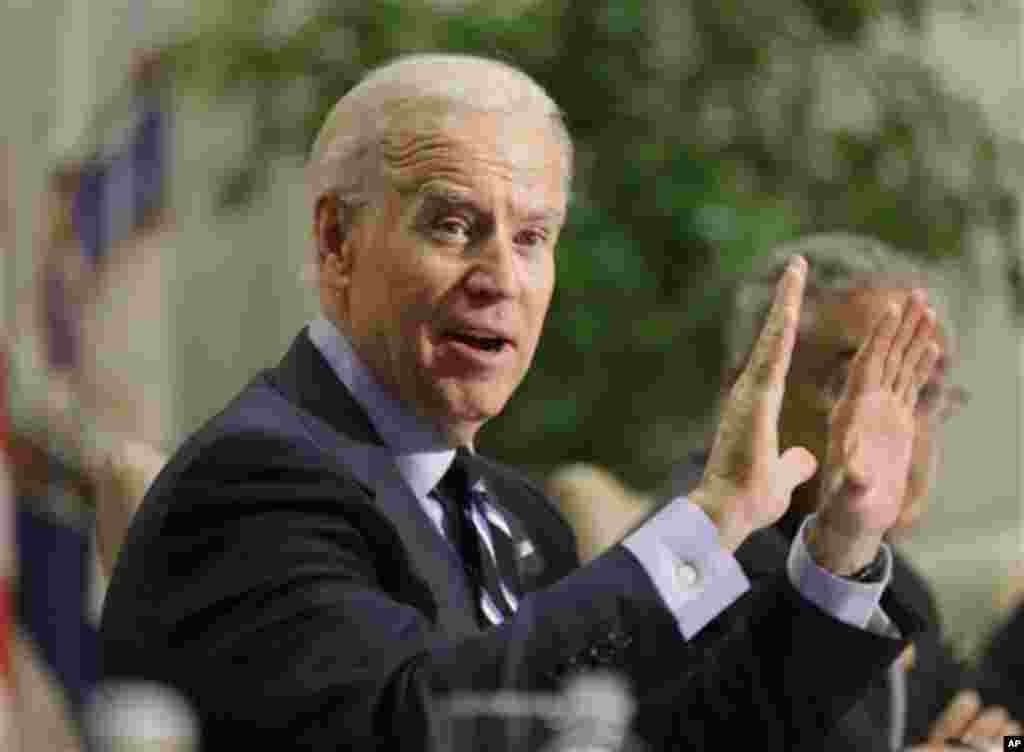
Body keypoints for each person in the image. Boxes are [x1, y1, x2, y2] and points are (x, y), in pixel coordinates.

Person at [99, 54, 941, 751]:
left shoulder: (519, 517)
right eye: (454, 225)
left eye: (532, 238)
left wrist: (841, 542)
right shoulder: (256, 481)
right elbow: (428, 728)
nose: (501, 278)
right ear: (336, 242)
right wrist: (714, 515)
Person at [666, 232, 1021, 751]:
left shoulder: (902, 588)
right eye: (858, 386)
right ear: (746, 395)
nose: (905, 430)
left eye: (924, 390)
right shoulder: (682, 562)